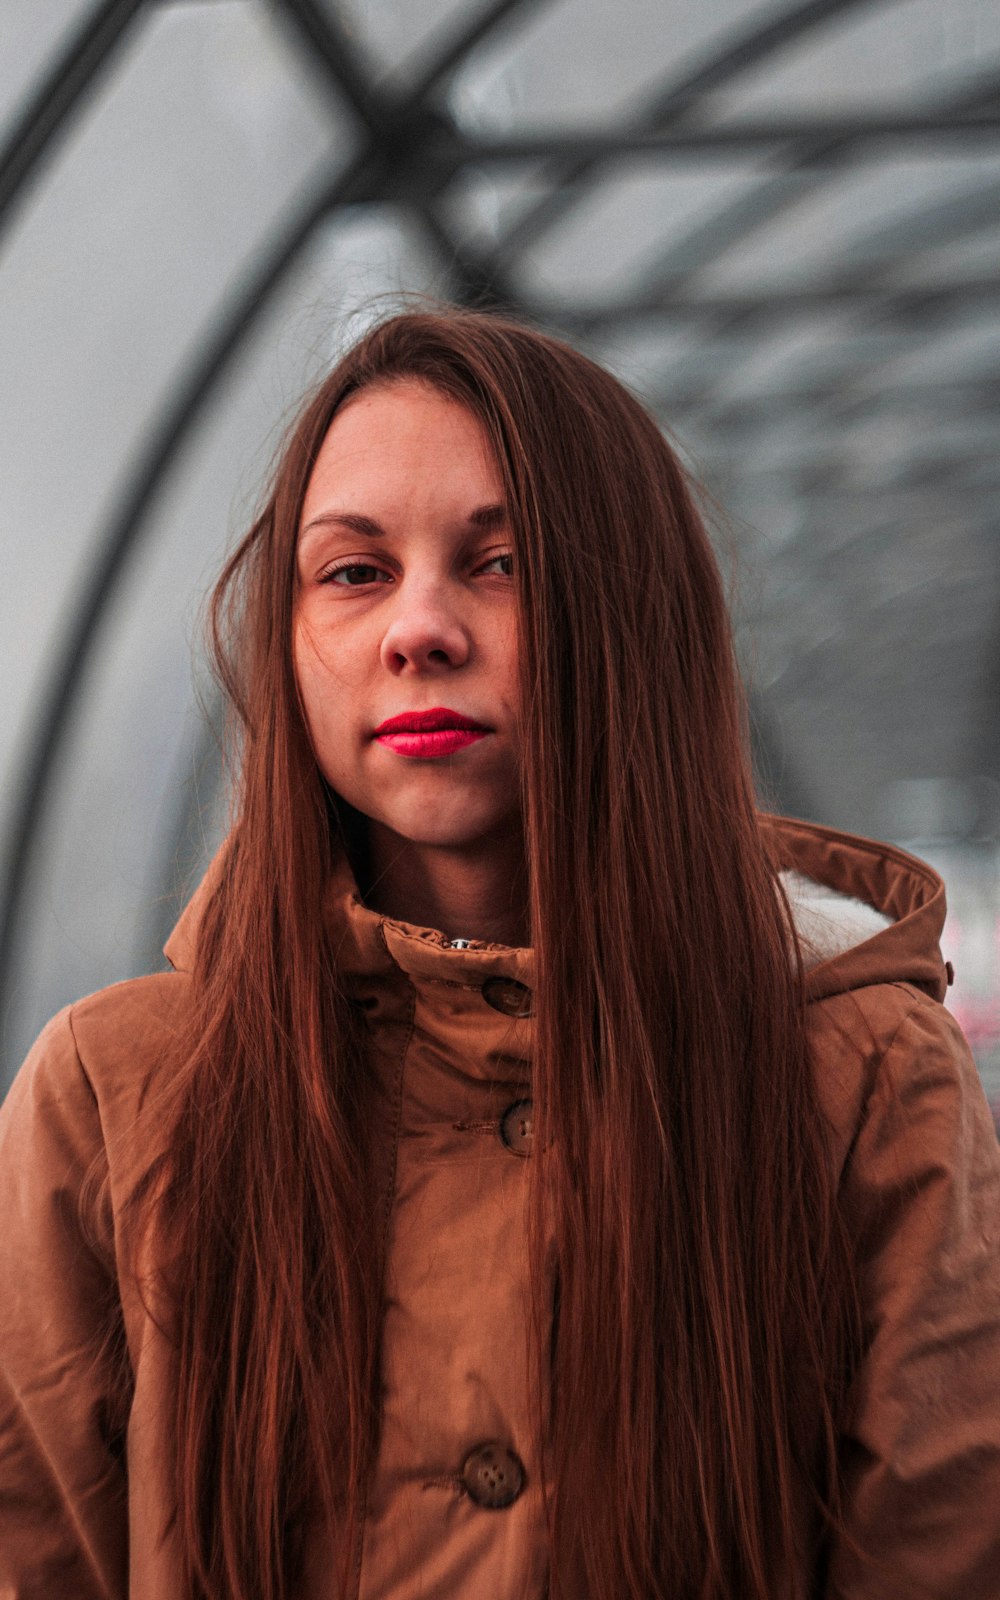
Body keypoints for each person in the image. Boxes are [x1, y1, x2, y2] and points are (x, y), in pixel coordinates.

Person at [1, 309, 999, 1600]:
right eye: (353, 573)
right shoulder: (111, 1102)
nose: (418, 628)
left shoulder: (858, 1080)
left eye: (502, 562)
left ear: (634, 619)